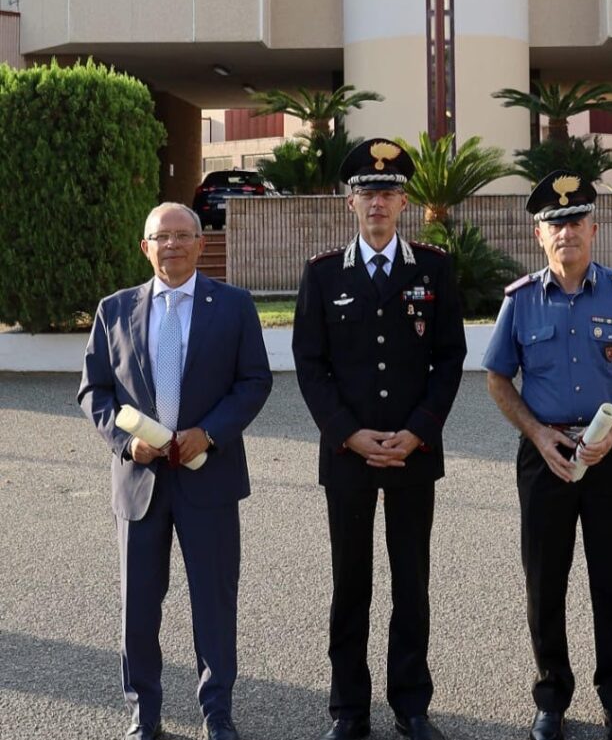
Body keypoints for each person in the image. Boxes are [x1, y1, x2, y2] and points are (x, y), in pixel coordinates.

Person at [483, 170, 612, 740]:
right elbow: (496, 378)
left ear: (594, 228)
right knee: (546, 581)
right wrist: (538, 434)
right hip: (545, 455)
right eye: (553, 224)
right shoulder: (519, 302)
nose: (565, 232)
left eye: (574, 222)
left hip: (610, 453)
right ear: (540, 236)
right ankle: (551, 698)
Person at [292, 139, 467, 740]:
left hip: (413, 454)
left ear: (404, 202)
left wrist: (418, 432)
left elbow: (449, 358)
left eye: (388, 193)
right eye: (367, 192)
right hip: (349, 454)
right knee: (351, 583)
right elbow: (309, 365)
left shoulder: (434, 267)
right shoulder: (321, 274)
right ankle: (349, 708)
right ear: (350, 202)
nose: (378, 203)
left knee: (410, 580)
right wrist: (349, 434)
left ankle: (412, 703)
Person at [78, 202, 273, 740]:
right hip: (139, 484)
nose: (172, 245)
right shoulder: (113, 310)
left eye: (183, 235)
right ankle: (144, 714)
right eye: (161, 237)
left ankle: (217, 713)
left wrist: (208, 432)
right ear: (145, 247)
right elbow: (94, 391)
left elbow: (254, 381)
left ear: (201, 243)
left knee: (213, 601)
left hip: (208, 477)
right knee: (138, 604)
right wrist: (125, 442)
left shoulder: (233, 307)